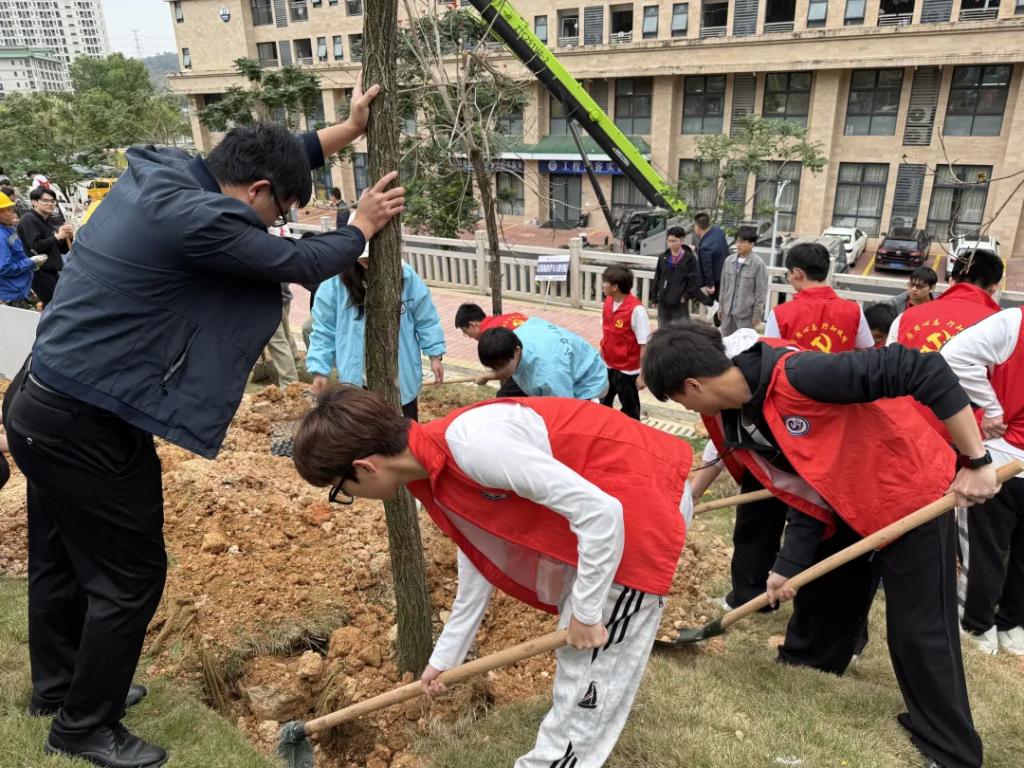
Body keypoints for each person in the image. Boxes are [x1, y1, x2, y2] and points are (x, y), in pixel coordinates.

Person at [3, 78, 403, 768]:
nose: (274, 223)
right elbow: (300, 260)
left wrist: (345, 132)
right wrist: (360, 225)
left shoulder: (164, 173)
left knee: (60, 557)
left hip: (42, 402)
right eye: (278, 210)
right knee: (132, 576)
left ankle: (59, 689)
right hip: (84, 424)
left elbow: (269, 156)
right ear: (256, 192)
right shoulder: (200, 219)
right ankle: (83, 726)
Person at [642, 327, 999, 768]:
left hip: (909, 492)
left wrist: (977, 460)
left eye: (680, 401)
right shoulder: (742, 412)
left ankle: (951, 749)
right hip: (848, 498)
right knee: (828, 589)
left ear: (693, 385)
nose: (686, 410)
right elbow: (808, 486)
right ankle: (812, 661)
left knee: (918, 627)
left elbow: (922, 367)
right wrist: (787, 565)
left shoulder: (801, 375)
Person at [291, 384, 694, 768]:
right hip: (599, 523)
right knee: (580, 665)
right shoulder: (430, 470)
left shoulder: (475, 446)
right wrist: (446, 658)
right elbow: (480, 557)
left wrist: (587, 614)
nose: (348, 498)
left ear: (365, 466)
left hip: (640, 509)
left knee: (588, 676)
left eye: (340, 490)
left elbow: (602, 514)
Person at [941, 307, 1024, 656]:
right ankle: (1007, 626)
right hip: (1004, 456)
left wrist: (992, 409)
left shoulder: (1014, 321)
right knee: (999, 550)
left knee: (983, 547)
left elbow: (953, 354)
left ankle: (982, 626)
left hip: (1002, 455)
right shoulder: (1014, 322)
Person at [306, 253, 446, 421]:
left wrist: (435, 355)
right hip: (357, 378)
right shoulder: (335, 283)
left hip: (400, 376)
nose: (366, 259)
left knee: (404, 430)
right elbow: (324, 330)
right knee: (365, 431)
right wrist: (320, 370)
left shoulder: (406, 277)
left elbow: (426, 319)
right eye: (362, 254)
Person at [764, 242, 873, 352]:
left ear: (797, 273)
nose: (790, 279)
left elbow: (767, 355)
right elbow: (866, 351)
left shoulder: (779, 314)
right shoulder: (855, 311)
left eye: (788, 274)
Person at [887, 249, 1003, 351]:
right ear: (994, 288)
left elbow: (886, 362)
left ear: (951, 281)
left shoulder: (904, 318)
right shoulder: (1001, 327)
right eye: (911, 285)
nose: (914, 290)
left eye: (920, 286)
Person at [475, 319, 607, 400]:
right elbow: (504, 367)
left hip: (587, 381)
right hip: (559, 361)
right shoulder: (514, 336)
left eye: (500, 366)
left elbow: (565, 408)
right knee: (505, 399)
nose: (497, 370)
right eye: (493, 367)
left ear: (517, 350)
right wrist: (488, 376)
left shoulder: (548, 377)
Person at [599, 265, 648, 420]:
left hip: (627, 372)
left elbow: (644, 344)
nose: (602, 285)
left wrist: (643, 375)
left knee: (630, 411)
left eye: (605, 282)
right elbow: (607, 331)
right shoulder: (608, 302)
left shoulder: (637, 311)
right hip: (608, 365)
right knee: (602, 404)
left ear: (615, 287)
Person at [454, 302, 529, 397]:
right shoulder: (506, 318)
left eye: (465, 331)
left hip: (529, 363)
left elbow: (507, 368)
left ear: (472, 325)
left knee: (504, 397)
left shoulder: (492, 336)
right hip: (536, 350)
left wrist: (486, 377)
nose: (468, 336)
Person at [17, 186, 73, 306]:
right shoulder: (28, 219)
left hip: (52, 271)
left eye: (53, 201)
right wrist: (58, 236)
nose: (50, 204)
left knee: (59, 304)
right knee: (54, 306)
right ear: (34, 202)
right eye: (46, 201)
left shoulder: (48, 219)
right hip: (39, 273)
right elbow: (37, 246)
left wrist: (67, 236)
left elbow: (62, 249)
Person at [651, 225, 708, 328]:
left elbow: (694, 280)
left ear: (681, 240)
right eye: (669, 241)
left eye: (674, 241)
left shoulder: (689, 258)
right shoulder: (663, 257)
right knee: (663, 329)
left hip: (679, 301)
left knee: (680, 330)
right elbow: (657, 277)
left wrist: (686, 296)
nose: (671, 244)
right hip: (663, 299)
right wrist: (654, 297)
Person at [718, 225, 768, 335]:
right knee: (726, 342)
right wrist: (721, 308)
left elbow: (761, 293)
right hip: (728, 313)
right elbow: (723, 287)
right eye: (737, 241)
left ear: (751, 244)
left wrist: (757, 315)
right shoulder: (728, 261)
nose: (738, 245)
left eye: (743, 242)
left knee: (744, 344)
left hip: (746, 316)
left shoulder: (758, 264)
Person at [1, 192, 47, 310]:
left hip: (22, 287)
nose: (9, 213)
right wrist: (31, 262)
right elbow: (4, 268)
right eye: (2, 211)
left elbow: (16, 256)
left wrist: (31, 263)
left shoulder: (9, 228)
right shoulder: (1, 236)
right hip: (12, 294)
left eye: (9, 208)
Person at [262, 283, 300, 388]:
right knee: (286, 336)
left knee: (278, 344)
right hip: (282, 297)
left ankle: (290, 385)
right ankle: (297, 368)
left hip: (266, 300)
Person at [692, 212, 728, 298]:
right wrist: (696, 249)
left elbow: (707, 267)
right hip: (726, 274)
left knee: (714, 304)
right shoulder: (718, 231)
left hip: (716, 281)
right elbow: (715, 251)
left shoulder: (705, 246)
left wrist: (710, 285)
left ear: (697, 226)